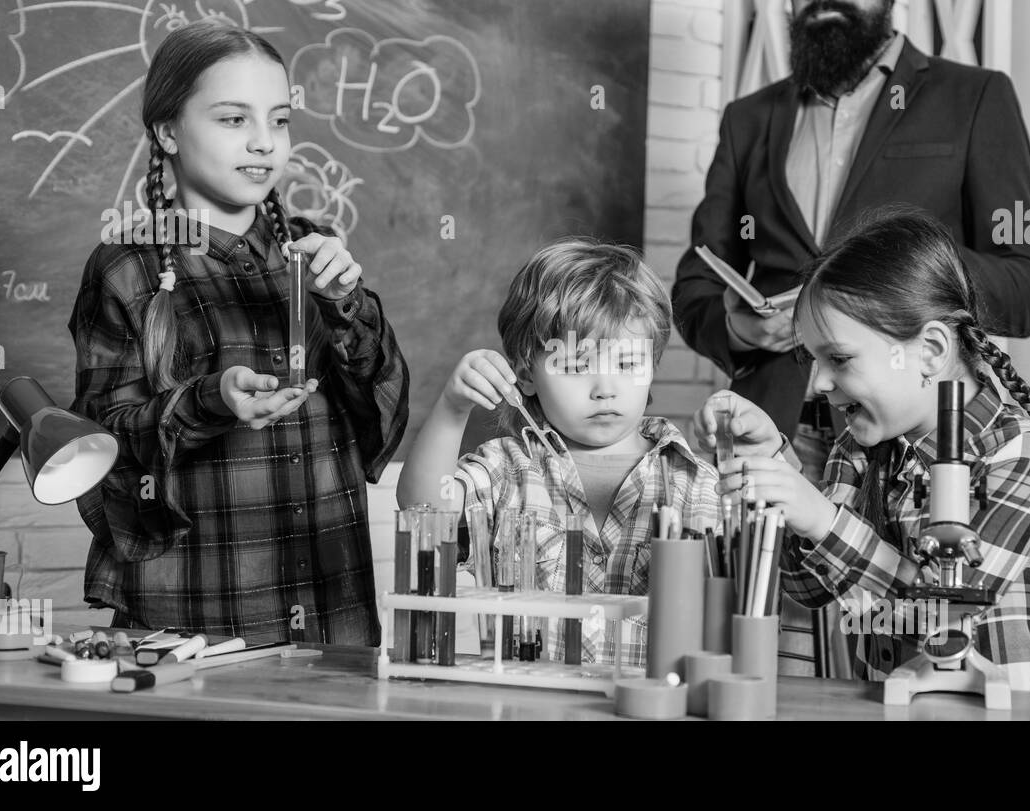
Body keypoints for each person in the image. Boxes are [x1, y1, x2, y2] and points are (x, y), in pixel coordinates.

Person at [672, 0, 1030, 674]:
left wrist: (888, 281)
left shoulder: (976, 96)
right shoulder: (748, 118)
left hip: (923, 429)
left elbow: (1027, 283)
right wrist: (743, 323)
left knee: (917, 640)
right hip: (788, 426)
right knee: (782, 667)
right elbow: (695, 286)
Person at [68, 22, 409, 646]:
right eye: (232, 120)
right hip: (195, 613)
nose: (263, 143)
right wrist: (210, 400)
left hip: (331, 606)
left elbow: (379, 411)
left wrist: (347, 307)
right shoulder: (127, 264)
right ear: (167, 130)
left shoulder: (312, 251)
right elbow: (100, 444)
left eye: (279, 121)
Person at [695, 210, 1030, 690]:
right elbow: (807, 586)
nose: (819, 384)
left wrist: (820, 516)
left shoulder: (1023, 457)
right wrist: (776, 467)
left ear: (931, 351)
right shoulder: (857, 448)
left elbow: (943, 611)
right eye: (811, 360)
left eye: (838, 358)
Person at [399, 238, 718, 665]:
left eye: (627, 365)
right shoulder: (505, 470)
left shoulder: (693, 481)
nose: (606, 388)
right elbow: (422, 510)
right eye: (576, 365)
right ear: (527, 375)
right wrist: (452, 409)